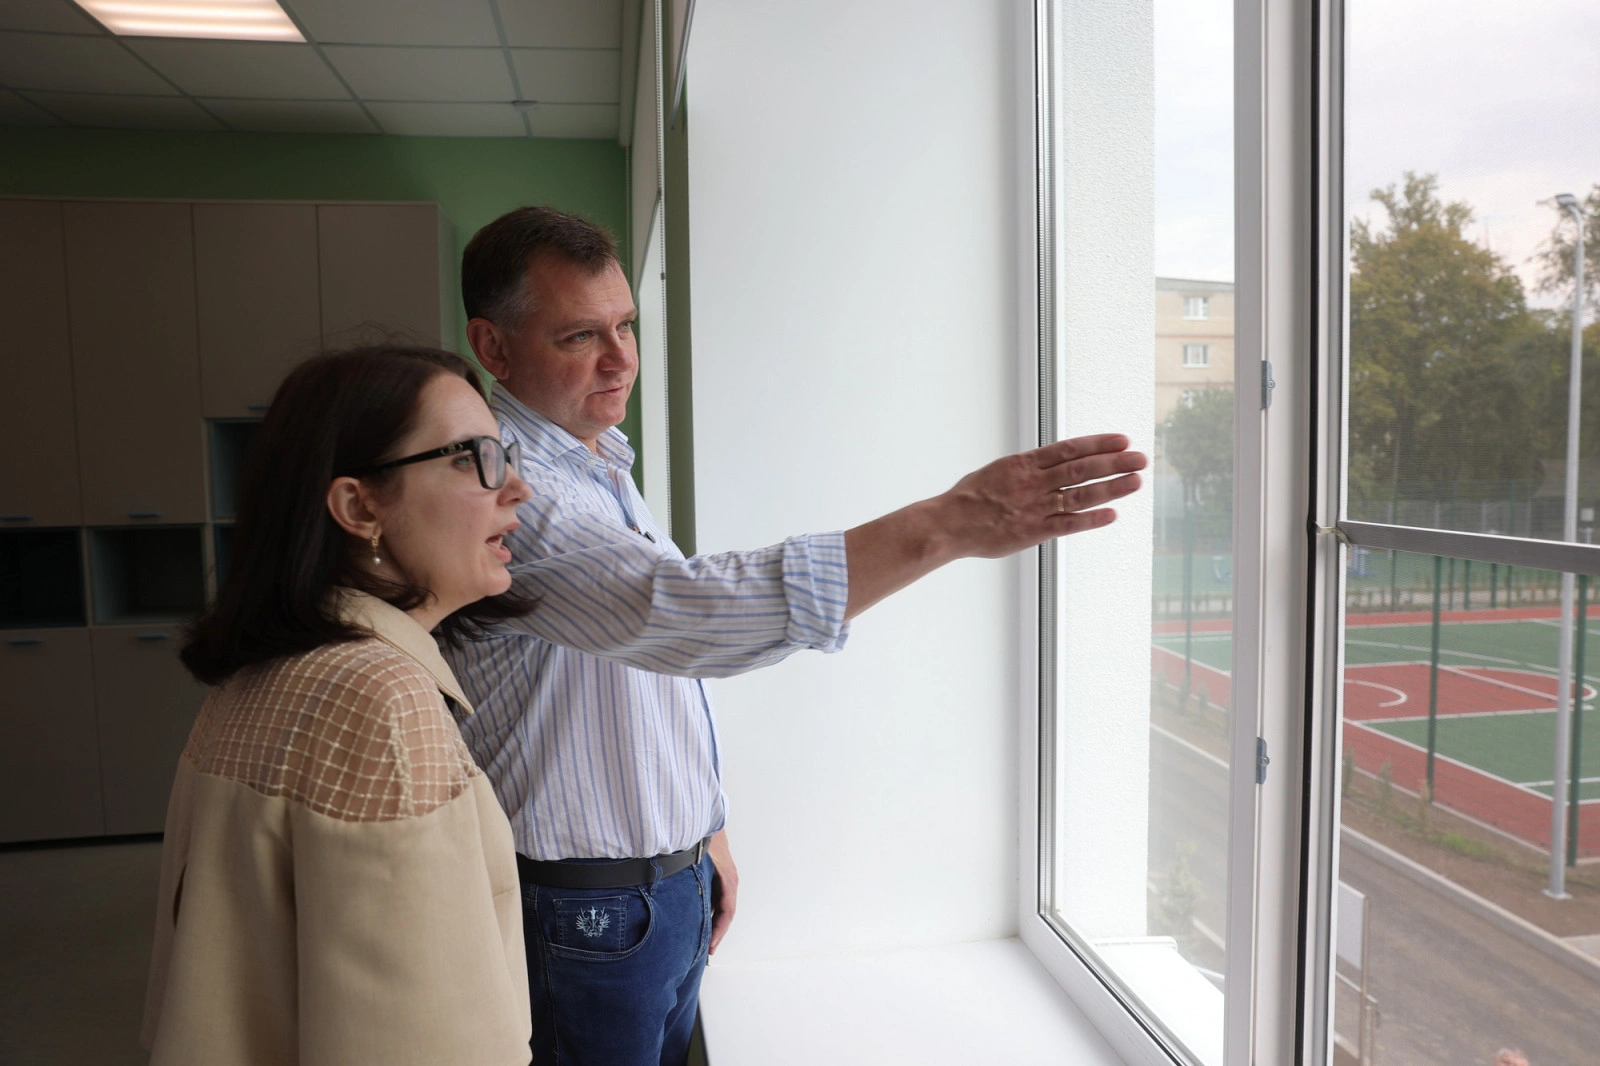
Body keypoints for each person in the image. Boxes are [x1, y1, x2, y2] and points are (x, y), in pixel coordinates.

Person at [444, 206, 1147, 1066]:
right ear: (493, 346)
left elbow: (638, 678)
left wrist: (702, 836)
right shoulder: (512, 491)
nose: (622, 358)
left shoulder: (595, 460)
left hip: (661, 890)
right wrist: (946, 525)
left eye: (625, 325)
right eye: (580, 336)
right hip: (584, 913)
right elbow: (680, 615)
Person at [142, 346, 536, 1065]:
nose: (516, 487)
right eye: (469, 458)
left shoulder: (265, 671)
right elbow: (420, 1044)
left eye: (502, 454)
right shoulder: (382, 698)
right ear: (359, 507)